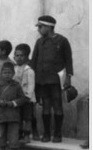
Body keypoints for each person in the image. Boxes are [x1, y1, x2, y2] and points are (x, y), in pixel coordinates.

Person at [31, 15, 74, 143]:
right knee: (45, 106)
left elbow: (68, 60)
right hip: (42, 80)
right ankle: (47, 133)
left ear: (49, 27)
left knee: (57, 105)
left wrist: (68, 77)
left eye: (40, 27)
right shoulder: (39, 42)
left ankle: (58, 133)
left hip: (55, 80)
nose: (38, 29)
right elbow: (34, 61)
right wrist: (33, 79)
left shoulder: (62, 41)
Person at [0, 61, 28, 150]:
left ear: (13, 74)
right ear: (1, 73)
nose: (7, 75)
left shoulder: (16, 86)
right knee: (1, 136)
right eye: (5, 72)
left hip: (13, 116)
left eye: (9, 72)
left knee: (13, 136)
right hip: (0, 115)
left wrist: (13, 103)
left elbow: (22, 98)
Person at [13, 43, 37, 143]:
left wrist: (27, 96)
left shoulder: (29, 70)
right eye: (17, 56)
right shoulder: (13, 69)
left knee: (27, 117)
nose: (19, 58)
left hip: (27, 99)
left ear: (26, 57)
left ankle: (27, 135)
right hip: (17, 98)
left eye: (21, 56)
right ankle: (19, 135)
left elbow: (31, 85)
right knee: (18, 117)